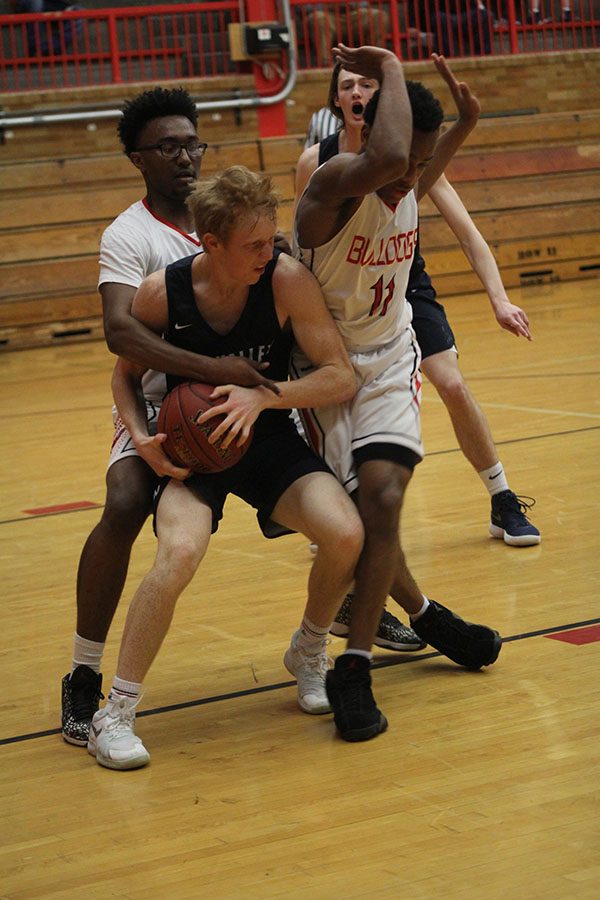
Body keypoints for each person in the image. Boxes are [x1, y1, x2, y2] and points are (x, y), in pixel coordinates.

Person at [86, 164, 372, 769]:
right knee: (178, 554)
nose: (269, 254)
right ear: (210, 243)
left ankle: (309, 649)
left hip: (264, 436)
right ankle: (115, 712)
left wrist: (263, 395)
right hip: (195, 450)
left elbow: (339, 374)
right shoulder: (163, 292)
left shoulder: (286, 280)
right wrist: (142, 438)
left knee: (345, 533)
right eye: (254, 245)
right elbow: (124, 372)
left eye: (271, 240)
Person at [61, 87, 283, 748]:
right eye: (168, 146)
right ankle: (83, 670)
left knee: (328, 480)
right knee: (126, 499)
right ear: (138, 158)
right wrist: (214, 371)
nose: (185, 156)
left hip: (240, 405)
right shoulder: (128, 236)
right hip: (162, 404)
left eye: (192, 142)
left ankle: (352, 613)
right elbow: (122, 337)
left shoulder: (235, 220)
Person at [295, 55, 540, 651]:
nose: (413, 175)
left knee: (381, 502)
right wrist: (388, 64)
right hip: (330, 365)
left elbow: (417, 173)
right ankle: (409, 614)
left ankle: (389, 619)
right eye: (407, 160)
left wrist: (465, 125)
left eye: (422, 164)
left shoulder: (410, 176)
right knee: (354, 523)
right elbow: (383, 164)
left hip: (390, 352)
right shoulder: (328, 177)